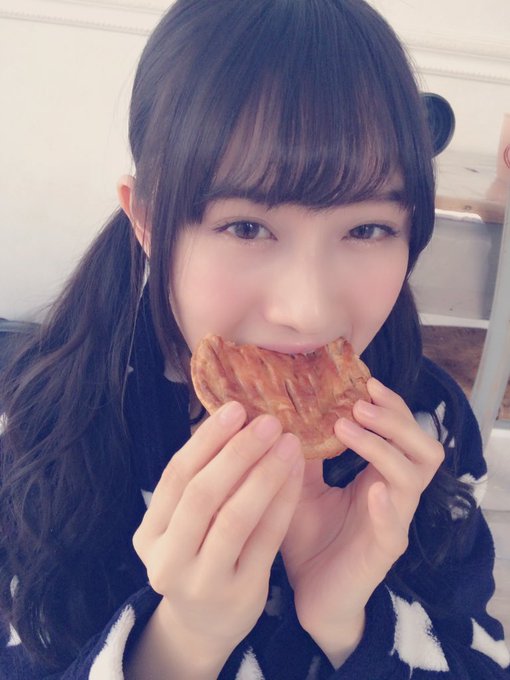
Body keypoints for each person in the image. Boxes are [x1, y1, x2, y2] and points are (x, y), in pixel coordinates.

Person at [0, 0, 508, 677]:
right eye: (246, 227)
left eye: (367, 229)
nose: (308, 311)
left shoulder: (427, 426)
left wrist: (350, 624)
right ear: (147, 222)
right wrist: (183, 642)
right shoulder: (40, 424)